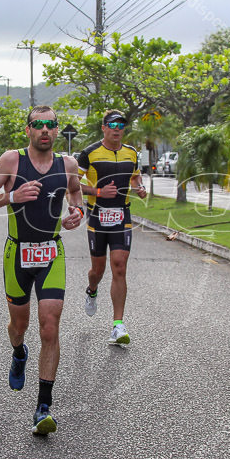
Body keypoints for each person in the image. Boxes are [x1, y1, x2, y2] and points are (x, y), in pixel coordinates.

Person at [0, 106, 85, 435]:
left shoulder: (67, 165)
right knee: (19, 325)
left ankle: (43, 407)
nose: (45, 130)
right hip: (17, 255)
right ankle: (18, 351)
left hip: (52, 252)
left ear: (56, 131)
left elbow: (76, 192)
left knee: (50, 326)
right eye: (38, 125)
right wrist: (13, 195)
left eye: (51, 125)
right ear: (28, 130)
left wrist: (76, 213)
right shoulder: (12, 161)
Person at [77, 110, 147, 345]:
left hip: (122, 216)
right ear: (104, 128)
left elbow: (136, 176)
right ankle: (92, 290)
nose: (117, 128)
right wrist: (97, 192)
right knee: (98, 269)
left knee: (119, 267)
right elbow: (72, 184)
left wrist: (140, 187)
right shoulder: (89, 153)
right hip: (97, 217)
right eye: (112, 124)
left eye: (121, 125)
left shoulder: (131, 153)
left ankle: (118, 325)